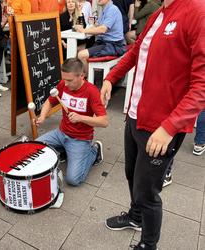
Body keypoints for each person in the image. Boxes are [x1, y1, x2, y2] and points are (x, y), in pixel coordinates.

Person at [100, 0, 205, 249]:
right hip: (136, 115)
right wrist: (111, 77)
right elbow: (137, 51)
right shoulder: (160, 12)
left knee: (147, 192)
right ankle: (135, 218)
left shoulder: (197, 11)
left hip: (161, 127)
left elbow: (201, 85)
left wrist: (170, 127)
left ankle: (148, 244)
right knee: (131, 175)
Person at [36, 58, 108, 186]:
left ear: (82, 75)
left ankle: (94, 151)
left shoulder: (92, 92)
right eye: (64, 79)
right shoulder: (63, 85)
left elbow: (104, 121)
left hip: (80, 139)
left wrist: (81, 118)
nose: (66, 83)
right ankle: (64, 149)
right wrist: (42, 116)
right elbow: (49, 101)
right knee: (35, 147)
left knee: (73, 180)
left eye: (69, 80)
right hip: (60, 133)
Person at [76, 0, 126, 75]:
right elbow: (97, 25)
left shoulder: (112, 9)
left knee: (81, 55)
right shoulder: (106, 9)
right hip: (106, 42)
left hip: (113, 45)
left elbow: (102, 29)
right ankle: (90, 77)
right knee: (80, 51)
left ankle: (87, 80)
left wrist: (83, 30)